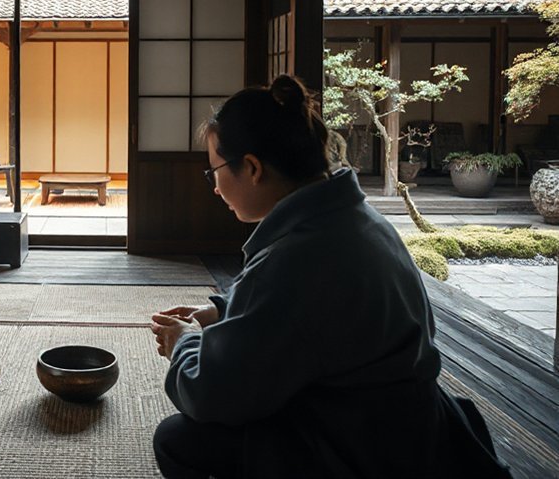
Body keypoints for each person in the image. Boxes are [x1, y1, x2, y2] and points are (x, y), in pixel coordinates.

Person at [150, 76, 511, 478]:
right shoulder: (354, 218)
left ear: (251, 168)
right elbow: (293, 312)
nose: (215, 188)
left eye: (213, 171)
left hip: (362, 449)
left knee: (178, 439)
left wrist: (185, 342)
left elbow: (213, 395)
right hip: (408, 429)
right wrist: (219, 310)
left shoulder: (297, 257)